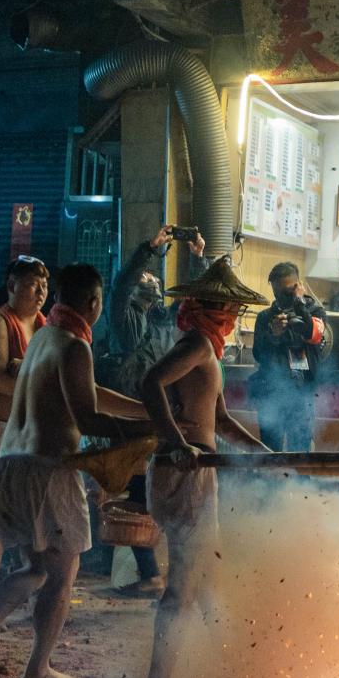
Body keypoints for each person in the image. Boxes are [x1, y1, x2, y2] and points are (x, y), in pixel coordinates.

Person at [0, 264, 147, 678]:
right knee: (62, 574)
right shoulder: (73, 345)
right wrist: (150, 430)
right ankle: (37, 669)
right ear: (94, 303)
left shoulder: (45, 336)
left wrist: (143, 410)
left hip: (12, 463)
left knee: (36, 568)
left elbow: (90, 394)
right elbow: (87, 416)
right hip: (47, 471)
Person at [135, 257, 269, 678]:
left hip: (198, 468)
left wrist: (262, 453)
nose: (228, 316)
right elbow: (149, 384)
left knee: (207, 582)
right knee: (183, 587)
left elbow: (223, 421)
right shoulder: (194, 343)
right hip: (184, 470)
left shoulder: (208, 350)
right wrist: (177, 441)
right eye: (224, 307)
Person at [100, 225, 207, 596]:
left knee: (139, 494)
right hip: (147, 418)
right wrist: (153, 250)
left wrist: (194, 257)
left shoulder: (155, 324)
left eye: (150, 282)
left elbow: (191, 297)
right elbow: (121, 289)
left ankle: (152, 574)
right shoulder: (140, 326)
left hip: (144, 420)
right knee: (139, 494)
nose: (150, 284)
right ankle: (154, 573)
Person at [0, 256, 49, 604]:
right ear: (12, 286)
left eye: (45, 285)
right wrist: (35, 381)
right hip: (2, 431)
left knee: (32, 522)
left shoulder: (45, 326)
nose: (41, 292)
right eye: (34, 284)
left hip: (33, 431)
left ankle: (27, 593)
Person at [250, 261, 332, 454]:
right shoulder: (266, 317)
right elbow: (258, 354)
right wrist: (273, 335)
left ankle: (300, 485)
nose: (282, 298)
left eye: (287, 292)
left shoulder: (314, 312)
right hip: (272, 394)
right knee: (270, 453)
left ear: (298, 286)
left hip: (302, 394)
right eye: (277, 293)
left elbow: (314, 333)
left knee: (300, 453)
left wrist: (299, 303)